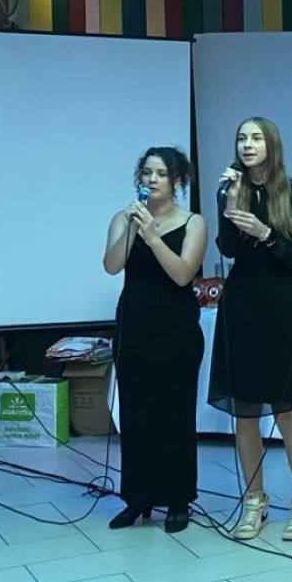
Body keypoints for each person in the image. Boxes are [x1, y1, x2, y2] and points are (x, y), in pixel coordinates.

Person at [209, 117, 292, 542]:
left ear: (272, 145)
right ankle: (255, 500)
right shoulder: (230, 189)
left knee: (286, 409)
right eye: (241, 138)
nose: (247, 145)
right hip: (241, 302)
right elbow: (228, 248)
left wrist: (267, 233)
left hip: (280, 303)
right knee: (245, 410)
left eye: (256, 138)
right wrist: (231, 204)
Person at [102, 147, 206, 534]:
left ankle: (178, 500)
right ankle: (138, 498)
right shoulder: (124, 218)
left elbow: (182, 274)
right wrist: (133, 229)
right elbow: (112, 265)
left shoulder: (192, 222)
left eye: (161, 174)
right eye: (147, 173)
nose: (152, 180)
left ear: (177, 180)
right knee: (136, 415)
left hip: (176, 331)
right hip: (134, 329)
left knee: (174, 415)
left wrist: (152, 236)